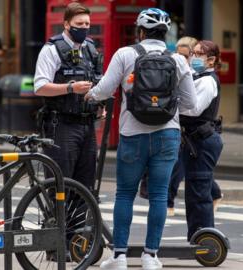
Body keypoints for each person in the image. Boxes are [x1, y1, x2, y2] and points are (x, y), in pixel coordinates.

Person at [85, 8, 197, 270]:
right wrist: (166, 106)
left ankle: (120, 257)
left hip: (132, 134)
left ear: (140, 31)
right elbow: (191, 104)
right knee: (159, 196)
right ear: (166, 32)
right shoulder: (179, 60)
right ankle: (151, 256)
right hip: (168, 134)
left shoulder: (126, 54)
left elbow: (104, 89)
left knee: (125, 194)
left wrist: (88, 96)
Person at [34, 2, 103, 191]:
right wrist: (71, 88)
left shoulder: (90, 48)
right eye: (79, 24)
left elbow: (96, 80)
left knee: (85, 185)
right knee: (60, 184)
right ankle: (57, 221)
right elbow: (40, 87)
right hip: (61, 125)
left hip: (88, 125)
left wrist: (100, 105)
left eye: (87, 24)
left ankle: (79, 222)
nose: (84, 28)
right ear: (66, 24)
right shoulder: (52, 49)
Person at [180, 40, 223, 241]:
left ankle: (204, 242)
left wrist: (172, 108)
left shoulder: (208, 81)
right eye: (193, 53)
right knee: (195, 193)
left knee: (198, 195)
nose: (193, 57)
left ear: (211, 59)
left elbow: (194, 109)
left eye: (199, 54)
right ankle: (197, 239)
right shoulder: (198, 77)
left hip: (202, 141)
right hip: (195, 141)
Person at [167, 36, 198, 217]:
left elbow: (192, 104)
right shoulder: (173, 70)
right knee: (183, 166)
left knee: (183, 167)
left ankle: (169, 202)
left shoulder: (195, 75)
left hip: (190, 129)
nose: (181, 59)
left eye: (185, 56)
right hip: (177, 125)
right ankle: (215, 194)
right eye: (178, 54)